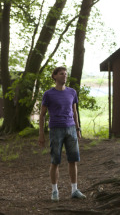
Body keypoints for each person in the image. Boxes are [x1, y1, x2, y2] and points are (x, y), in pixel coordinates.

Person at [38, 66, 86, 201]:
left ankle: (74, 190)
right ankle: (54, 191)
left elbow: (75, 111)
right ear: (54, 76)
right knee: (55, 161)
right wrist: (41, 134)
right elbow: (41, 115)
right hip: (55, 130)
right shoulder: (48, 94)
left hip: (71, 129)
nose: (64, 76)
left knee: (73, 160)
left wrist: (78, 129)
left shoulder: (72, 92)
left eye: (65, 74)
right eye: (61, 74)